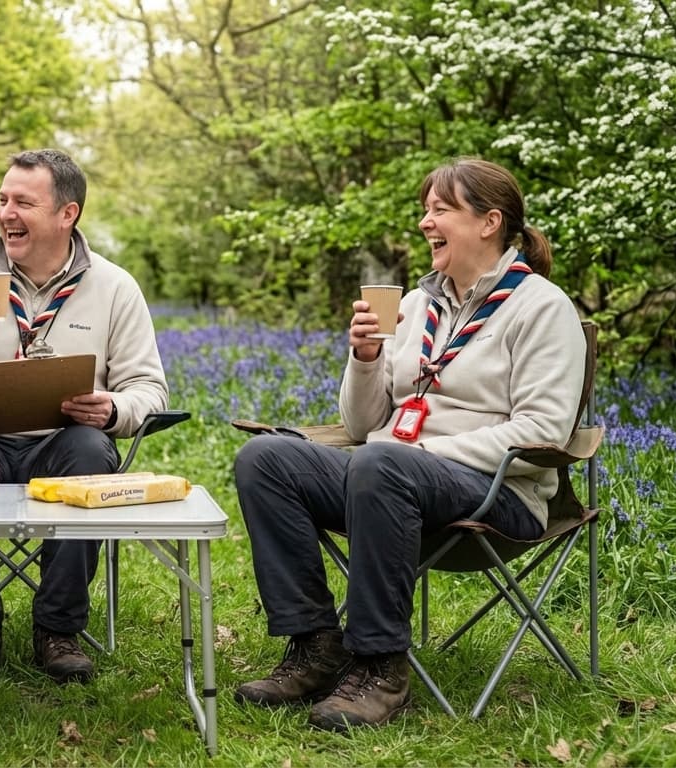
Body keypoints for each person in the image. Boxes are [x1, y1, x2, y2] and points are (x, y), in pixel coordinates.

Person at [232, 158, 585, 731]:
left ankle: (379, 668)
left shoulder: (540, 307)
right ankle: (316, 646)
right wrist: (365, 358)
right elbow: (362, 422)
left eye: (441, 210)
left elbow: (543, 430)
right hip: (386, 480)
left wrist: (421, 455)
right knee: (266, 459)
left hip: (498, 495)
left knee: (383, 462)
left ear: (489, 222)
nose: (425, 222)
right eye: (425, 210)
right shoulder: (418, 304)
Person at [0, 149, 168, 684]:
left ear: (68, 214)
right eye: (2, 200)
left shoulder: (115, 287)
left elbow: (149, 389)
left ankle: (58, 630)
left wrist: (114, 408)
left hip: (62, 444)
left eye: (23, 202)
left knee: (91, 450)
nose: (6, 214)